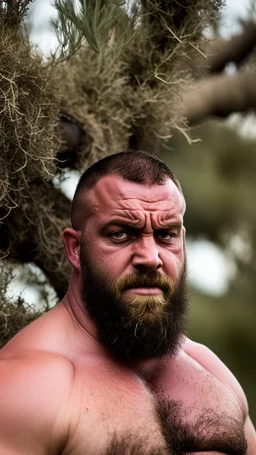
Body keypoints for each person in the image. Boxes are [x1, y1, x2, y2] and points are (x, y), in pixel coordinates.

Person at [0, 150, 255, 455]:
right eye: (121, 234)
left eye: (165, 235)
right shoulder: (25, 386)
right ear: (74, 249)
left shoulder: (209, 369)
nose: (150, 258)